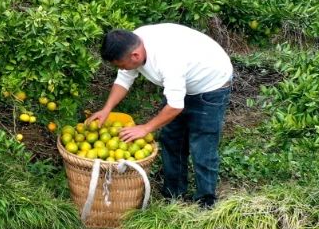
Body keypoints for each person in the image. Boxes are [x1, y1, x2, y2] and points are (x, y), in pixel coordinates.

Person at [86, 24, 233, 208]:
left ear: (135, 56)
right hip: (181, 84)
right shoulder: (132, 43)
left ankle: (205, 200)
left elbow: (175, 105)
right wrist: (106, 109)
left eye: (122, 65)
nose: (123, 69)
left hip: (211, 84)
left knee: (202, 144)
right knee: (171, 138)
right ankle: (174, 194)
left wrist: (145, 128)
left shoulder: (168, 59)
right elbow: (123, 79)